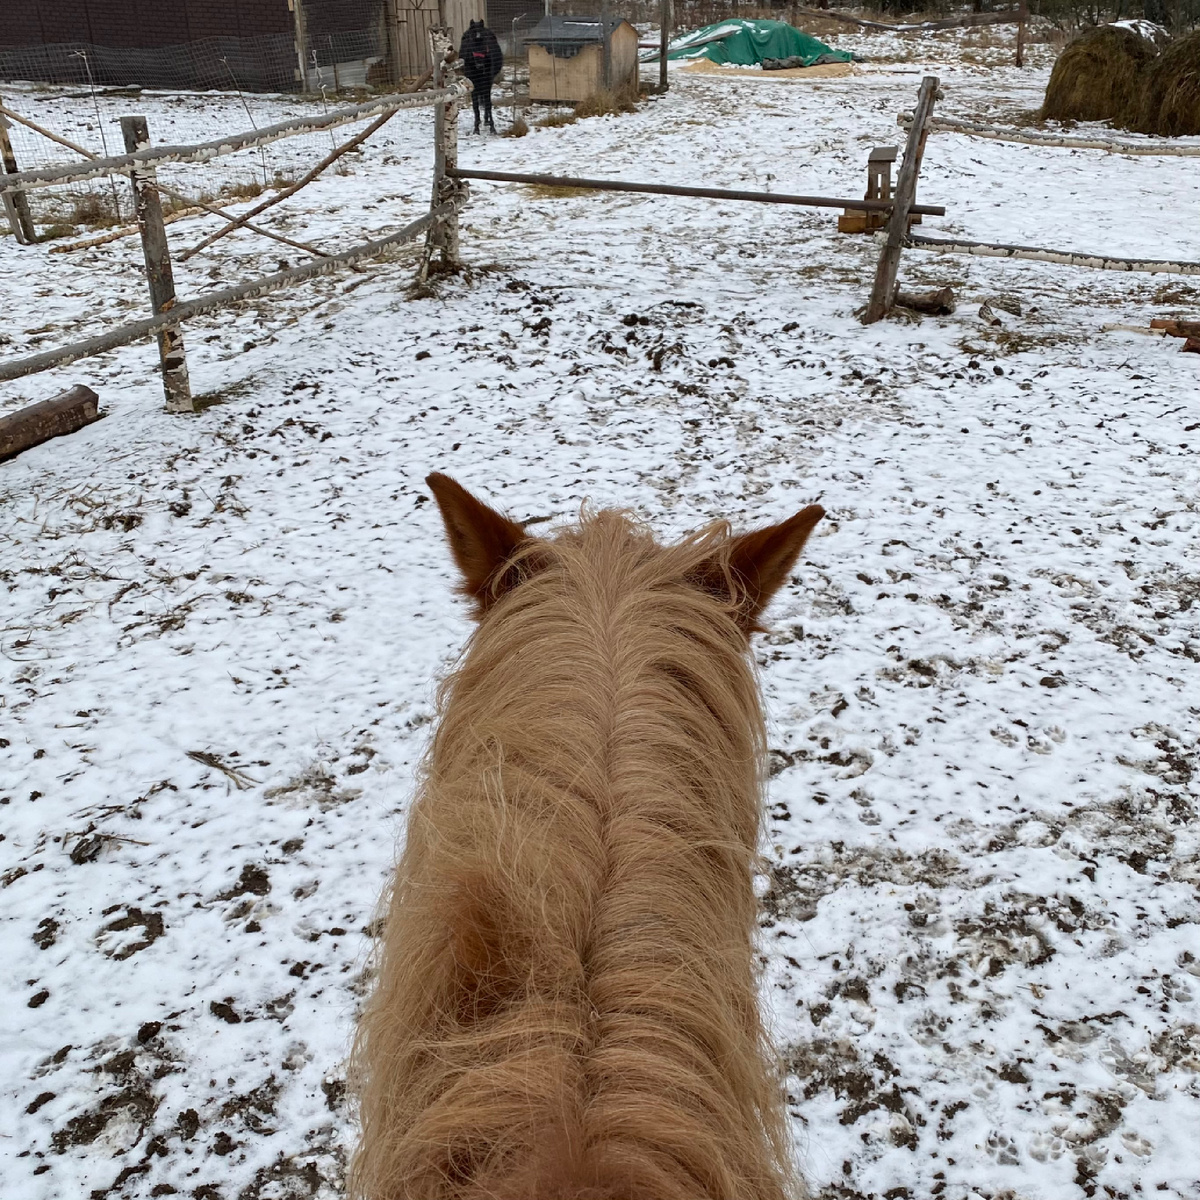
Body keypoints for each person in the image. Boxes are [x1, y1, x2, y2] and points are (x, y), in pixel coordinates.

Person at [458, 19, 504, 134]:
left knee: (486, 92)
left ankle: (487, 116)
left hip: (486, 70)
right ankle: (477, 120)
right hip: (474, 71)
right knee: (475, 93)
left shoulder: (488, 44)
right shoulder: (468, 42)